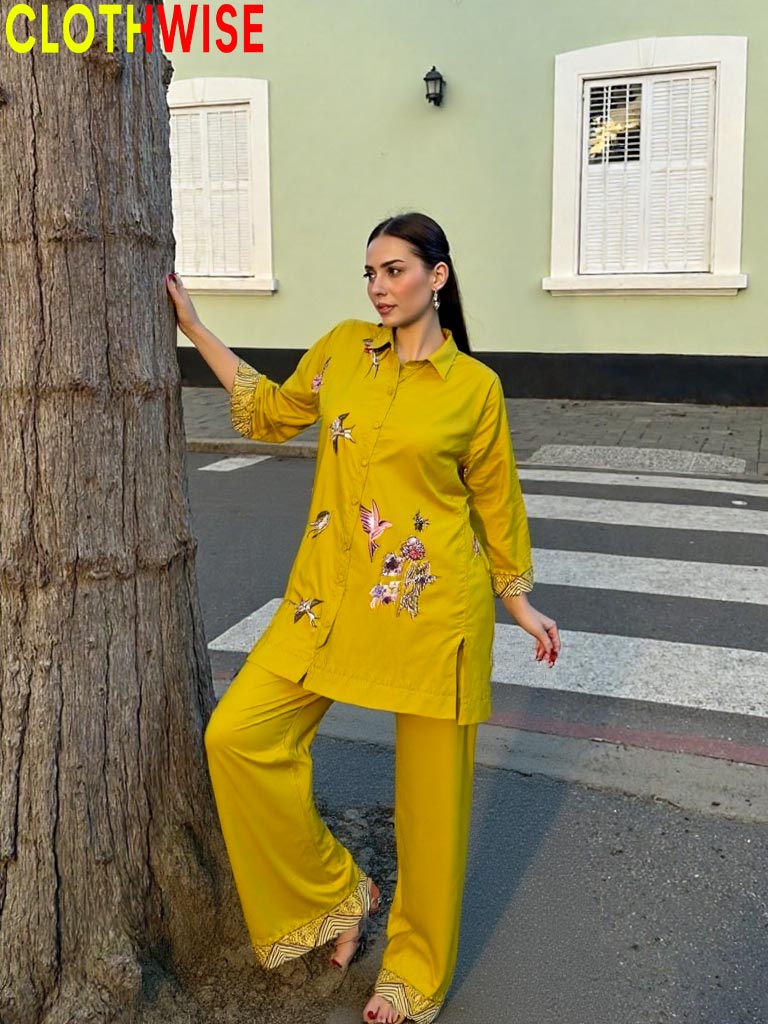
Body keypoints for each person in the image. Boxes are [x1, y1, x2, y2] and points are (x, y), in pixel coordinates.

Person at [165, 211, 561, 1024]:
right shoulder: (344, 348)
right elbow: (268, 413)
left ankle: (413, 974)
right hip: (327, 599)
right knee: (237, 735)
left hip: (434, 614)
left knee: (432, 810)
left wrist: (516, 596)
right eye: (371, 274)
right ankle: (339, 891)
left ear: (437, 277)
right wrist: (197, 329)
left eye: (396, 271)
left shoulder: (474, 389)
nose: (380, 288)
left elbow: (495, 498)